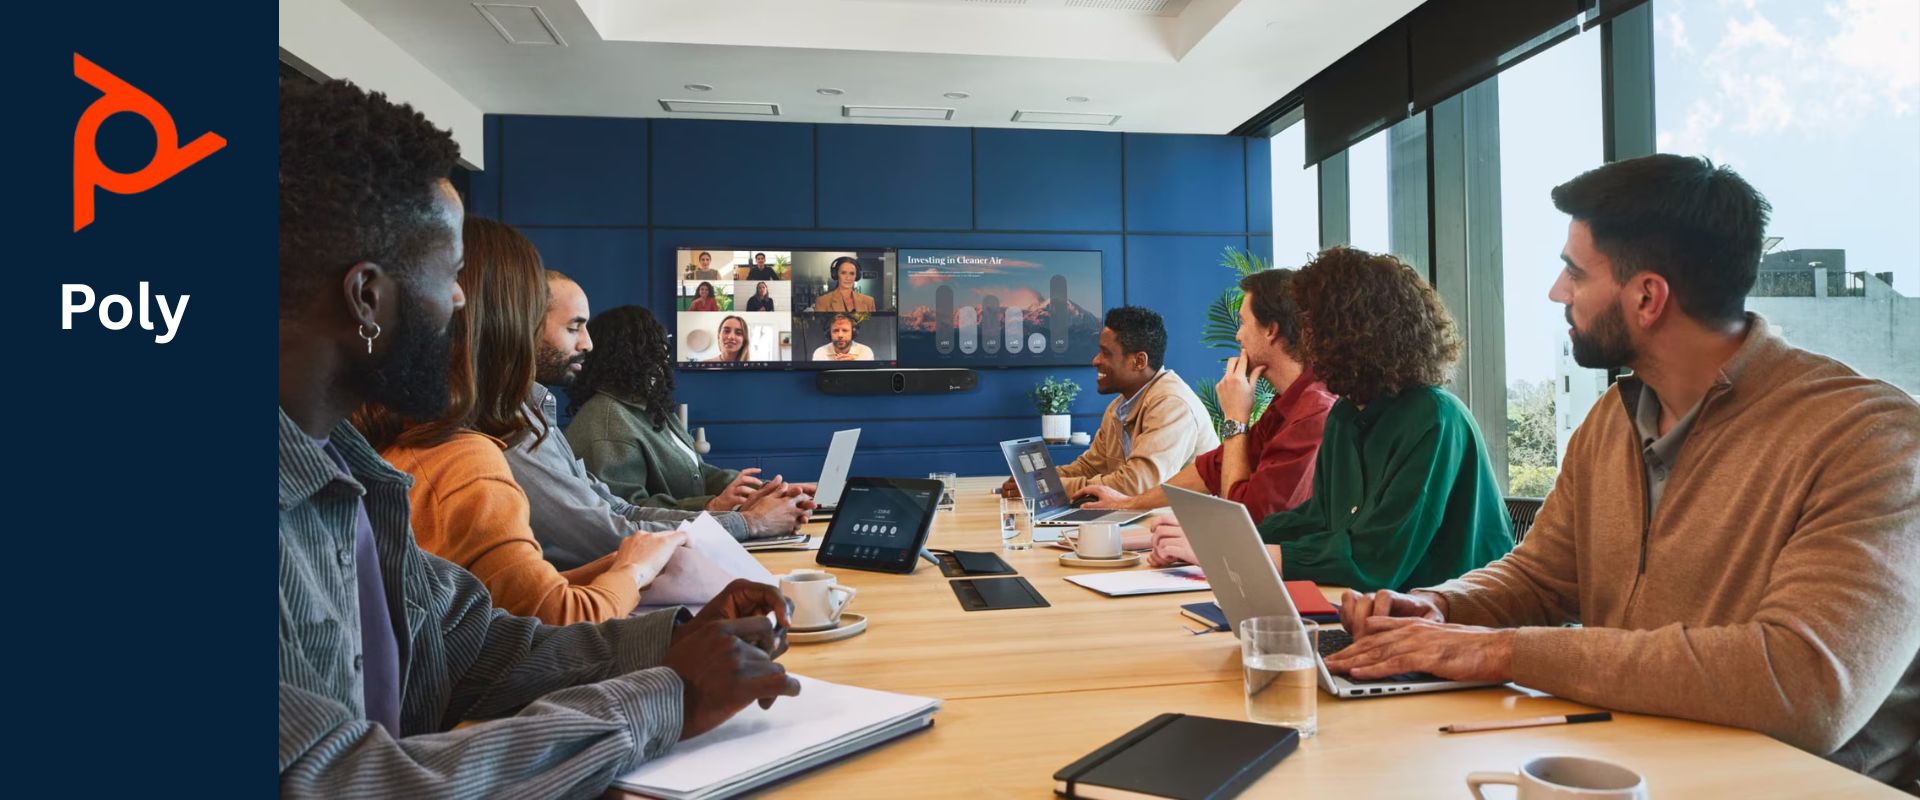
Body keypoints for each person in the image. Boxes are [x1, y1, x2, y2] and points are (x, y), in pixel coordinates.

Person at [1324, 156, 1920, 790]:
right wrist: (1440, 610)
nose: (1558, 291)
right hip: (1627, 767)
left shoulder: (1870, 437)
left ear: (1646, 296)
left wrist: (1498, 650)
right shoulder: (1616, 415)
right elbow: (1541, 576)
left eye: (1575, 273)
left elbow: (1805, 683)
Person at [278, 78, 796, 797]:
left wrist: (674, 639)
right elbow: (338, 781)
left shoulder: (352, 471)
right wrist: (667, 694)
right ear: (367, 296)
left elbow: (475, 650)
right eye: (451, 275)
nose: (462, 304)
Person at [356, 217, 691, 625]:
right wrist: (632, 571)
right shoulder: (464, 456)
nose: (586, 344)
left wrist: (633, 566)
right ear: (510, 322)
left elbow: (505, 600)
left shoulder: (421, 436)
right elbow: (559, 616)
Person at [1147, 247, 1513, 592]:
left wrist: (1227, 549)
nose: (1302, 337)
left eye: (1310, 324)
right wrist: (1218, 538)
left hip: (1461, 629)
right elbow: (1316, 520)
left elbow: (1376, 558)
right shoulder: (1346, 416)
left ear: (1350, 332)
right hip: (1387, 613)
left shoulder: (1434, 419)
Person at [516, 267, 815, 568]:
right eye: (573, 328)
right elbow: (619, 525)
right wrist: (744, 521)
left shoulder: (648, 409)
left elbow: (641, 501)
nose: (663, 356)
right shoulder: (602, 422)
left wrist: (765, 493)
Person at [1073, 271, 1334, 521]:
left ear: (1270, 330)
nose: (1237, 335)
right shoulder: (1286, 403)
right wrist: (1126, 504)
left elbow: (1247, 517)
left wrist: (1235, 418)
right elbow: (1211, 470)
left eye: (1243, 322)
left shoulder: (1314, 411)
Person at [569, 306, 813, 512]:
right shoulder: (608, 421)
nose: (663, 357)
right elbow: (627, 511)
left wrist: (773, 490)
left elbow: (699, 473)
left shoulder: (649, 408)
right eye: (656, 348)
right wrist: (713, 506)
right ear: (629, 356)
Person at [1002, 306, 1217, 497]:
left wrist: (1048, 486)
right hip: (1149, 523)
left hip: (1184, 532)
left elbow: (1137, 486)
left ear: (1139, 361)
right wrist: (1036, 479)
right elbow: (1089, 467)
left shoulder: (1172, 404)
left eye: (1106, 353)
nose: (1095, 360)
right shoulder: (1119, 407)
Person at [812, 256, 876, 312]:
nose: (848, 278)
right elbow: (820, 325)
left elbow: (872, 325)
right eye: (843, 273)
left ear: (857, 276)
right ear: (836, 274)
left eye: (852, 273)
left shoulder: (869, 302)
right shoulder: (823, 301)